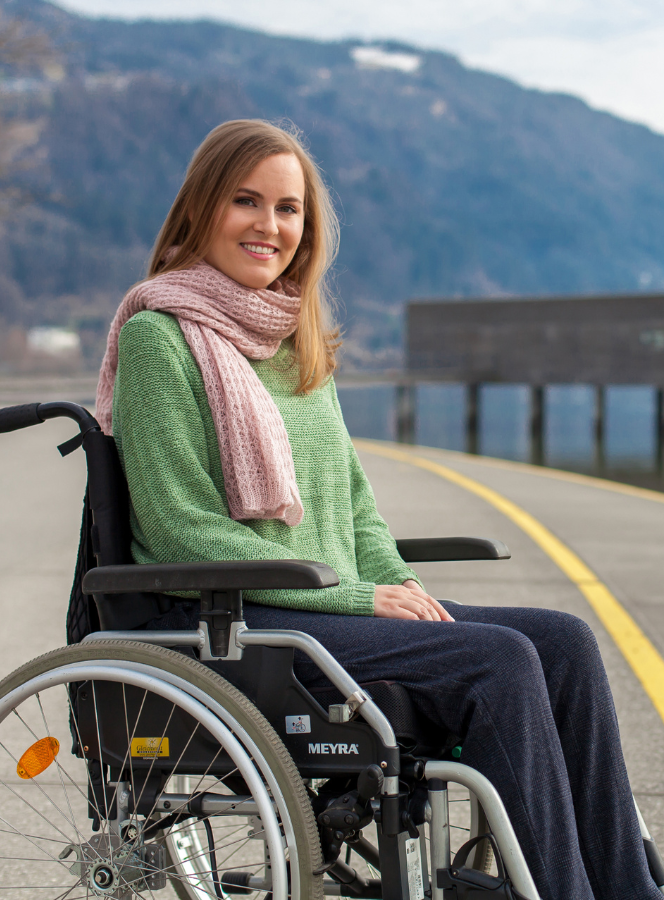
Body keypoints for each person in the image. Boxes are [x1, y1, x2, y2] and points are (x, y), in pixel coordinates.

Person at [96, 119, 661, 900]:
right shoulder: (161, 340)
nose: (270, 226)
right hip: (231, 618)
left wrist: (403, 590)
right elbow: (178, 528)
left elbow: (354, 507)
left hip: (324, 609)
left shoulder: (297, 343)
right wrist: (361, 597)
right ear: (199, 210)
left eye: (289, 209)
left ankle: (630, 890)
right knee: (500, 660)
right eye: (246, 201)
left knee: (563, 640)